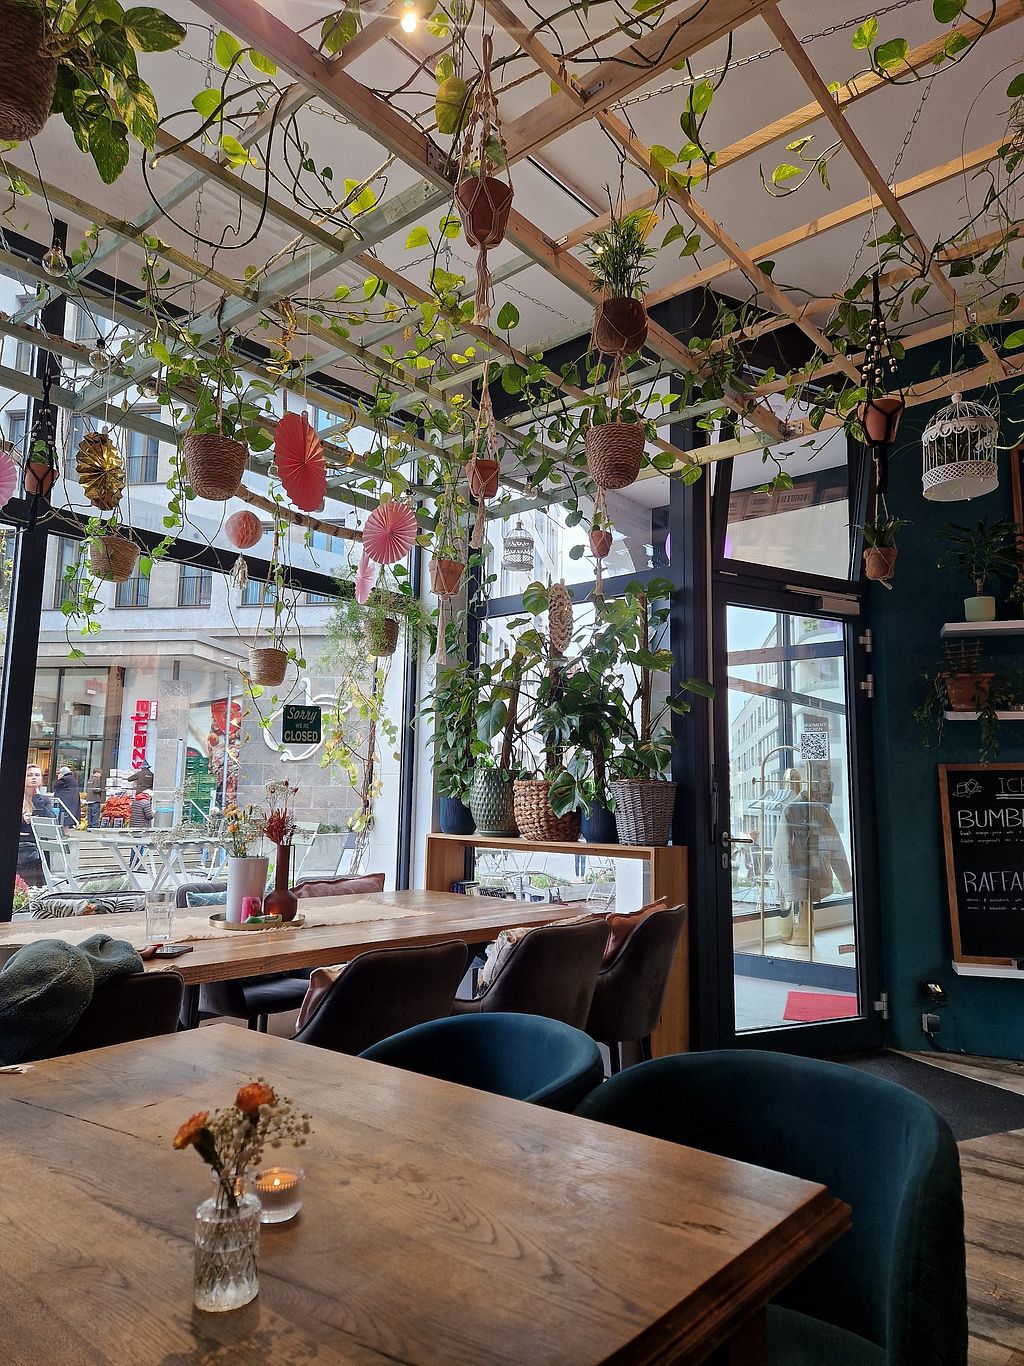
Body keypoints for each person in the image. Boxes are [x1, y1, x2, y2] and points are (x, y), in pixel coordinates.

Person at [18, 763, 52, 888]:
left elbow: (50, 820)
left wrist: (37, 798)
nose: (34, 778)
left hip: (39, 846)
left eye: (37, 775)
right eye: (30, 775)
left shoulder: (44, 800)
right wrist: (22, 820)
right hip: (22, 847)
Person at [53, 765, 81, 830]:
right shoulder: (72, 778)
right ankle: (66, 833)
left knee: (63, 818)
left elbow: (56, 785)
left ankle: (64, 833)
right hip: (71, 801)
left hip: (65, 801)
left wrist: (59, 779)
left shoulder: (65, 779)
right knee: (67, 819)